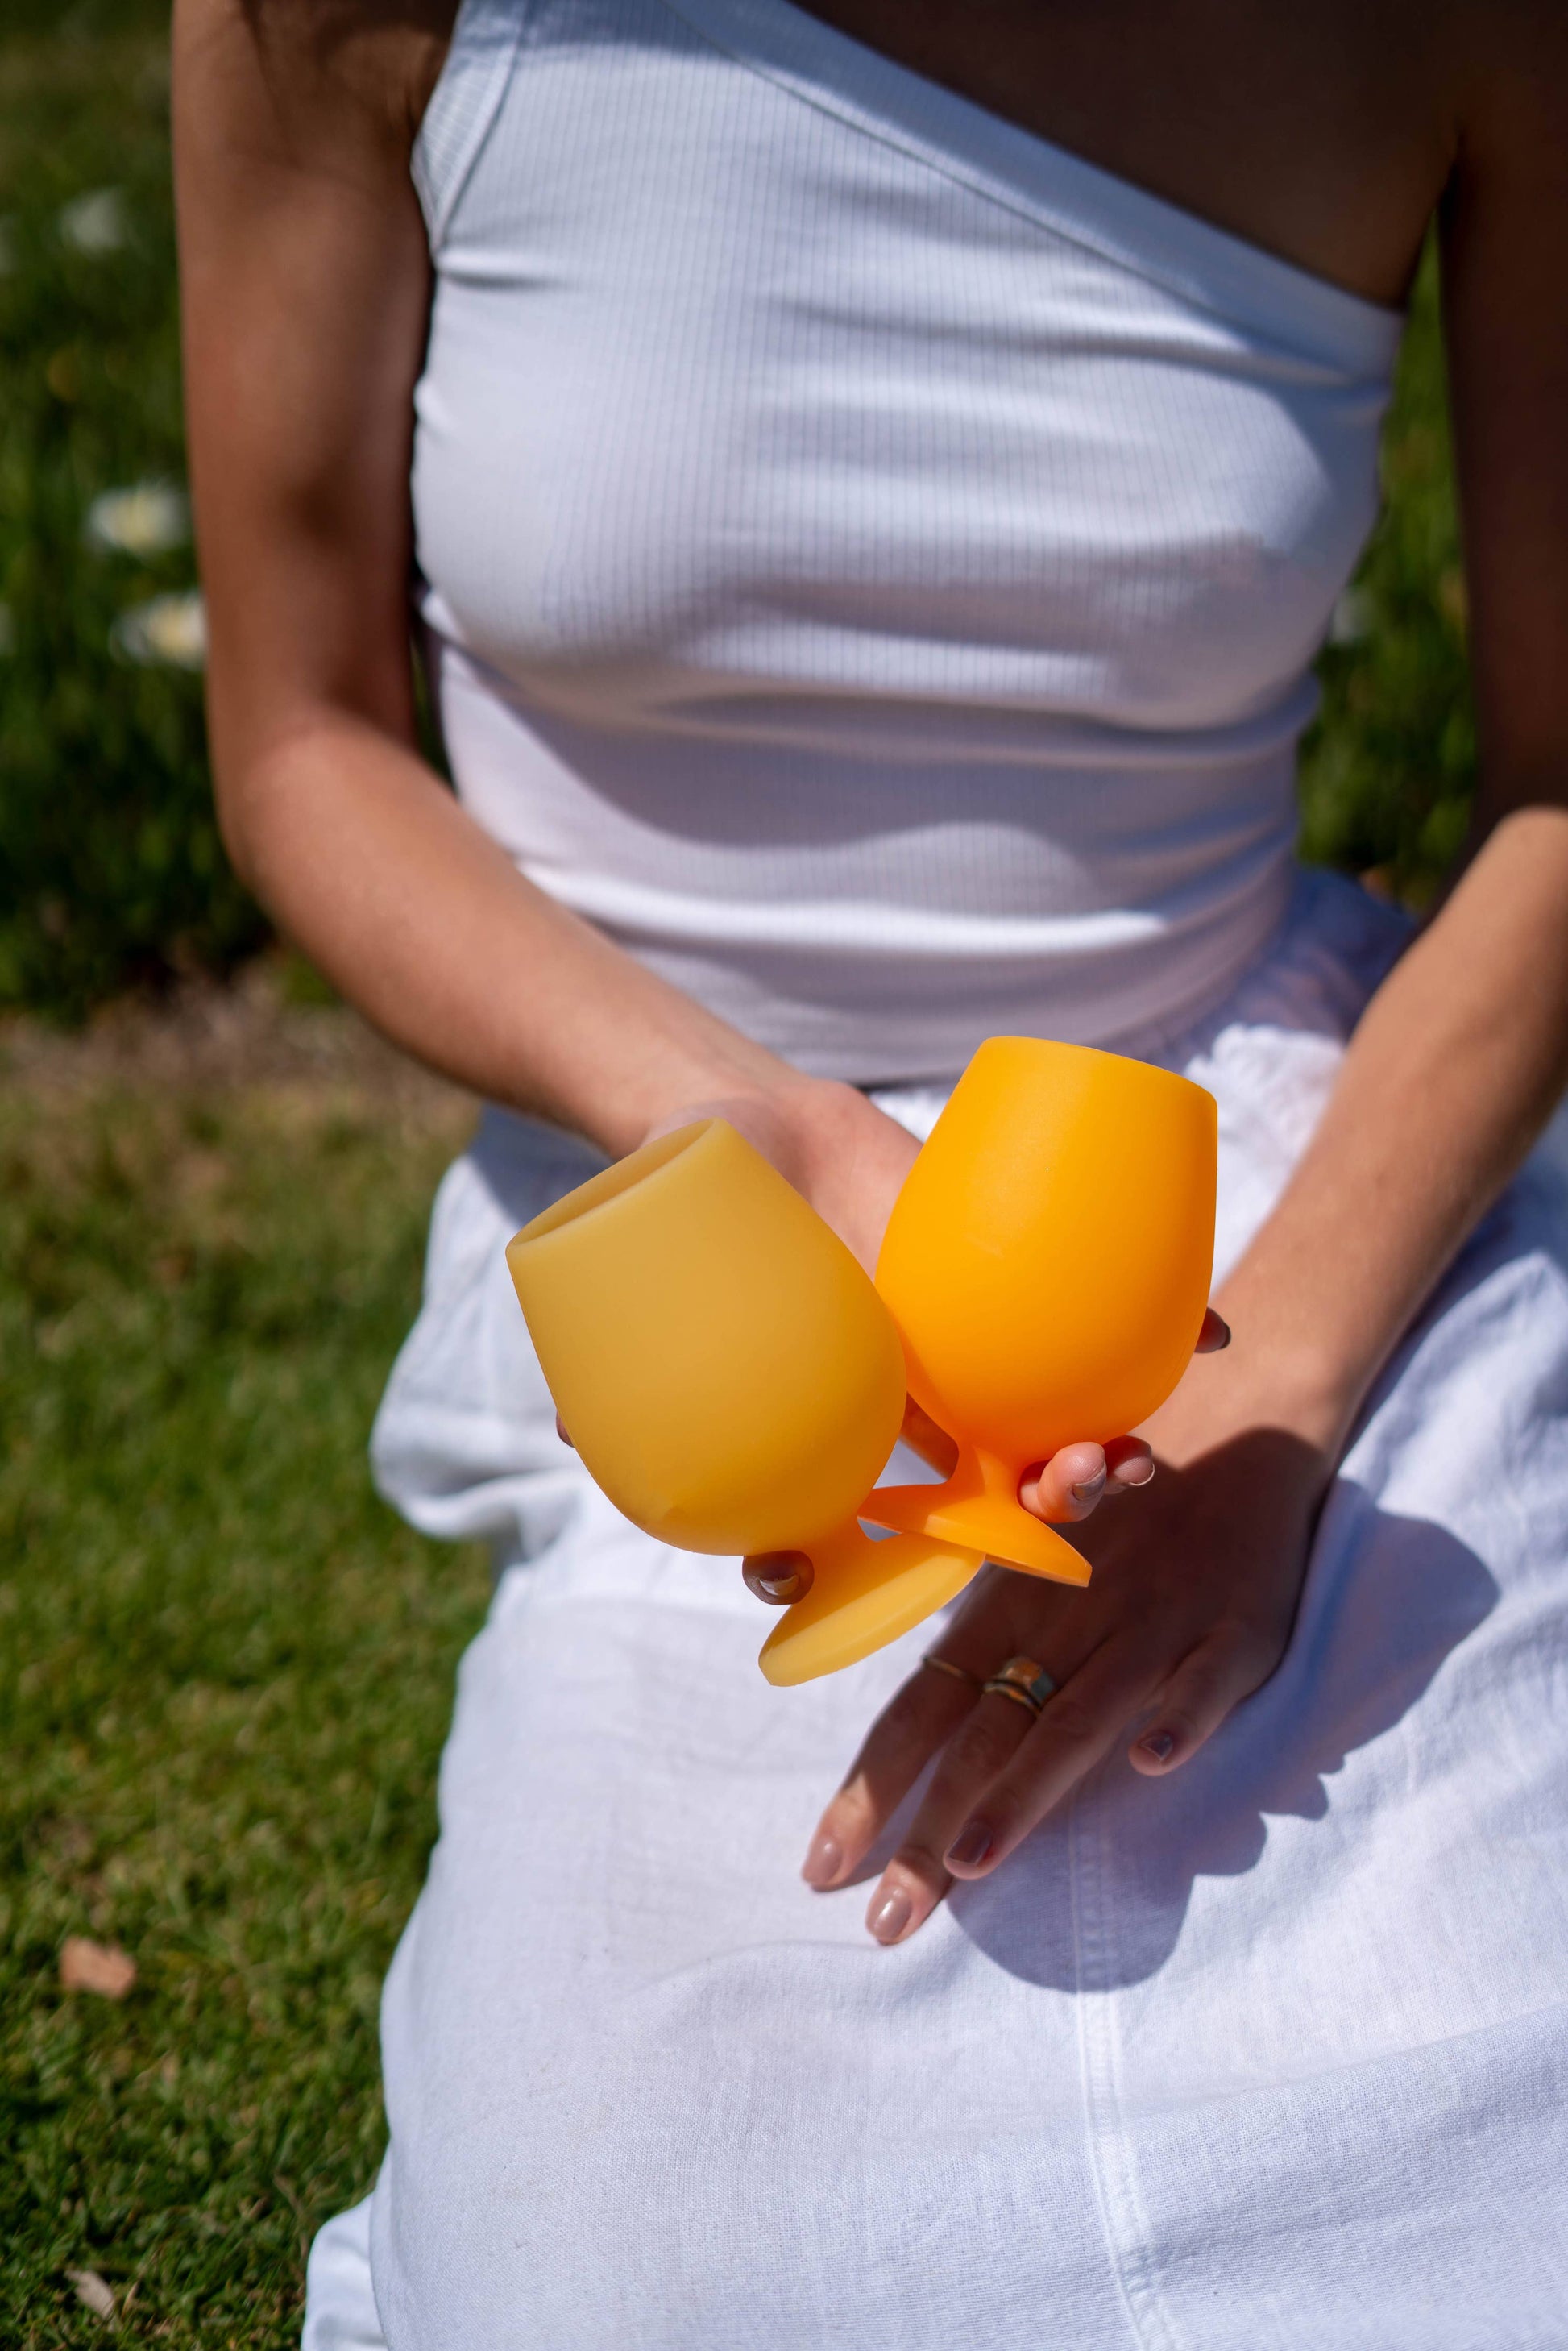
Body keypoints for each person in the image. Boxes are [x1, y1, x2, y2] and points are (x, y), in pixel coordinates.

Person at [172, 0, 1568, 2341]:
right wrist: (757, 1131)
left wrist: (1278, 1393)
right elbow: (301, 744)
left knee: (1475, 2119)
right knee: (636, 2272)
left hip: (1272, 1179)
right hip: (678, 1233)